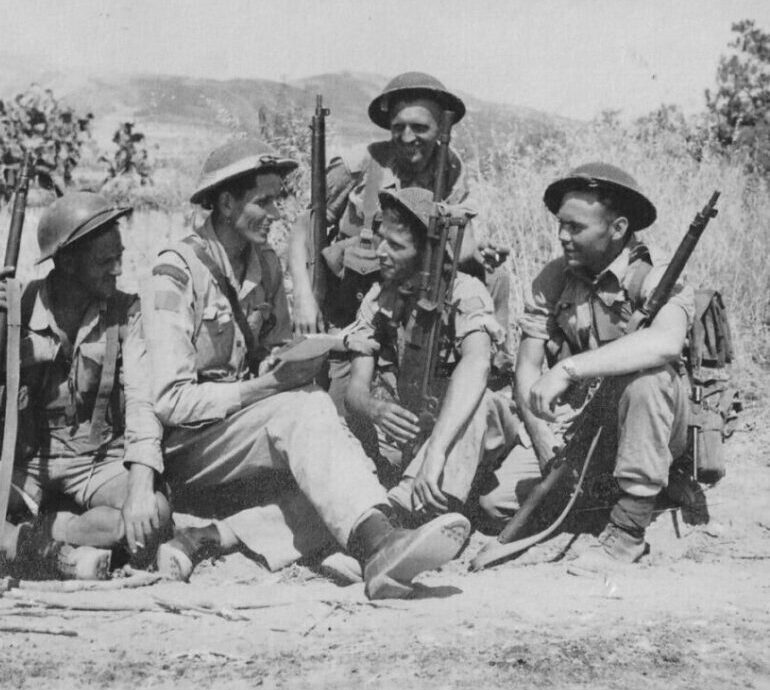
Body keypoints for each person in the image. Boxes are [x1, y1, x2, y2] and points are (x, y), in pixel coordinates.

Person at [142, 138, 470, 600]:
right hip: (188, 445)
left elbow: (274, 355)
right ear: (225, 201)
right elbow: (170, 401)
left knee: (334, 464)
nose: (276, 213)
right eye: (264, 201)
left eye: (279, 199)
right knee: (308, 414)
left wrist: (303, 357)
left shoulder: (267, 265)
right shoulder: (175, 271)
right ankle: (377, 543)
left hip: (240, 433)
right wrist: (267, 387)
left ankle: (218, 537)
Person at [0, 192, 171, 579]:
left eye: (118, 256)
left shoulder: (128, 312)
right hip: (20, 467)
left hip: (98, 465)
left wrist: (141, 483)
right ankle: (48, 552)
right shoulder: (14, 311)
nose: (118, 269)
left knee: (152, 513)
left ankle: (37, 540)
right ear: (68, 261)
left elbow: (142, 402)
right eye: (106, 260)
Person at [287, 71, 513, 411]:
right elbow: (305, 226)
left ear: (440, 128)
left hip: (410, 307)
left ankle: (494, 368)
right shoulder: (361, 163)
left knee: (496, 278)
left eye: (420, 128)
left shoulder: (450, 169)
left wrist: (480, 253)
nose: (408, 137)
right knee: (344, 408)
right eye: (399, 127)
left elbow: (460, 243)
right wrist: (304, 296)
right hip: (354, 311)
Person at [514, 163, 693, 570]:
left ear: (617, 228)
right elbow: (526, 366)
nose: (562, 236)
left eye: (575, 228)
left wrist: (568, 369)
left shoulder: (657, 274)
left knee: (647, 380)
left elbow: (665, 343)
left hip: (655, 423)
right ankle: (605, 495)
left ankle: (628, 532)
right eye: (561, 225)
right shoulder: (554, 277)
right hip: (582, 426)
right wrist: (541, 435)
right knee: (498, 502)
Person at [344, 187, 522, 522]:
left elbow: (476, 366)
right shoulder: (379, 297)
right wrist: (373, 407)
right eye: (383, 239)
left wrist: (436, 450)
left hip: (478, 432)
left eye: (396, 246)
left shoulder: (465, 292)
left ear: (427, 253)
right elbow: (355, 389)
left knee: (479, 403)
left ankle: (397, 518)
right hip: (417, 429)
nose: (381, 252)